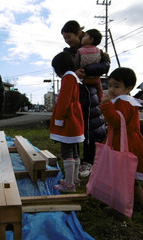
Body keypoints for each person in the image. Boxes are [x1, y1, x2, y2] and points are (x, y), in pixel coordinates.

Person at [61, 20, 109, 177]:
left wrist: (86, 70)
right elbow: (64, 71)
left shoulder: (96, 50)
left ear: (79, 34)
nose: (67, 41)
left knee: (91, 127)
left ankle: (88, 162)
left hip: (91, 93)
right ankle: (76, 158)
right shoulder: (67, 53)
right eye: (64, 38)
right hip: (76, 92)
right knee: (75, 126)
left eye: (69, 37)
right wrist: (75, 72)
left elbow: (105, 65)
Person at [100, 67, 143, 207]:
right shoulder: (127, 100)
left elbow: (117, 121)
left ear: (129, 88)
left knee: (124, 175)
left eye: (116, 86)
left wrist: (106, 107)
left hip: (125, 144)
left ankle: (123, 204)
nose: (111, 90)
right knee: (129, 176)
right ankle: (139, 202)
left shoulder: (123, 102)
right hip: (129, 141)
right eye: (110, 85)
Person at [50, 52, 85, 193]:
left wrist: (58, 119)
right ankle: (74, 179)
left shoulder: (67, 77)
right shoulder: (74, 77)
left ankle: (69, 185)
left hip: (68, 120)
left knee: (67, 151)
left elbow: (63, 100)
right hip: (75, 118)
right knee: (75, 150)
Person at [73, 28, 104, 101]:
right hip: (96, 79)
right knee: (100, 91)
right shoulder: (98, 51)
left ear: (91, 40)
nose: (82, 38)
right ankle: (101, 102)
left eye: (84, 36)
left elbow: (75, 64)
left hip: (84, 79)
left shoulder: (80, 51)